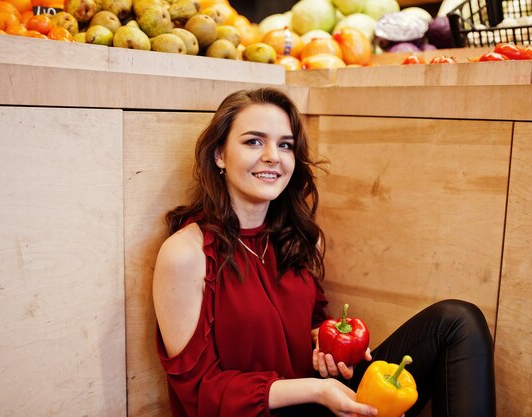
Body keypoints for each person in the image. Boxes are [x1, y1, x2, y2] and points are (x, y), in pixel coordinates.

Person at [153, 87, 496, 417]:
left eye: (285, 145)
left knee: (456, 321)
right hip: (271, 409)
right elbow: (199, 391)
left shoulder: (298, 239)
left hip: (320, 400)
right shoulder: (186, 254)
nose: (273, 155)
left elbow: (310, 327)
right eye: (254, 141)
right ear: (219, 155)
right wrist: (315, 390)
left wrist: (330, 346)